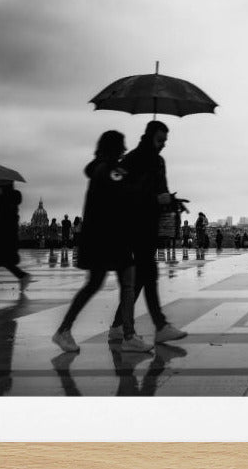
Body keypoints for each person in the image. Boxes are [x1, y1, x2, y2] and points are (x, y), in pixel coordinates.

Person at [52, 131, 151, 353]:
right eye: (121, 147)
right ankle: (127, 335)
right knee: (128, 284)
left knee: (97, 284)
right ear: (114, 149)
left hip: (100, 237)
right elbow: (125, 194)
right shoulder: (111, 171)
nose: (124, 150)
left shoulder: (100, 168)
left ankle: (66, 330)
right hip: (112, 237)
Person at [108, 120, 187, 344]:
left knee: (143, 278)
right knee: (148, 275)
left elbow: (161, 191)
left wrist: (172, 201)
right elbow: (118, 187)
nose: (163, 145)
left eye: (165, 142)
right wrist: (154, 198)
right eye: (160, 140)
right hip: (133, 225)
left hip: (148, 224)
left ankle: (117, 325)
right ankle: (159, 326)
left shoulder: (158, 161)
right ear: (150, 136)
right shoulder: (132, 159)